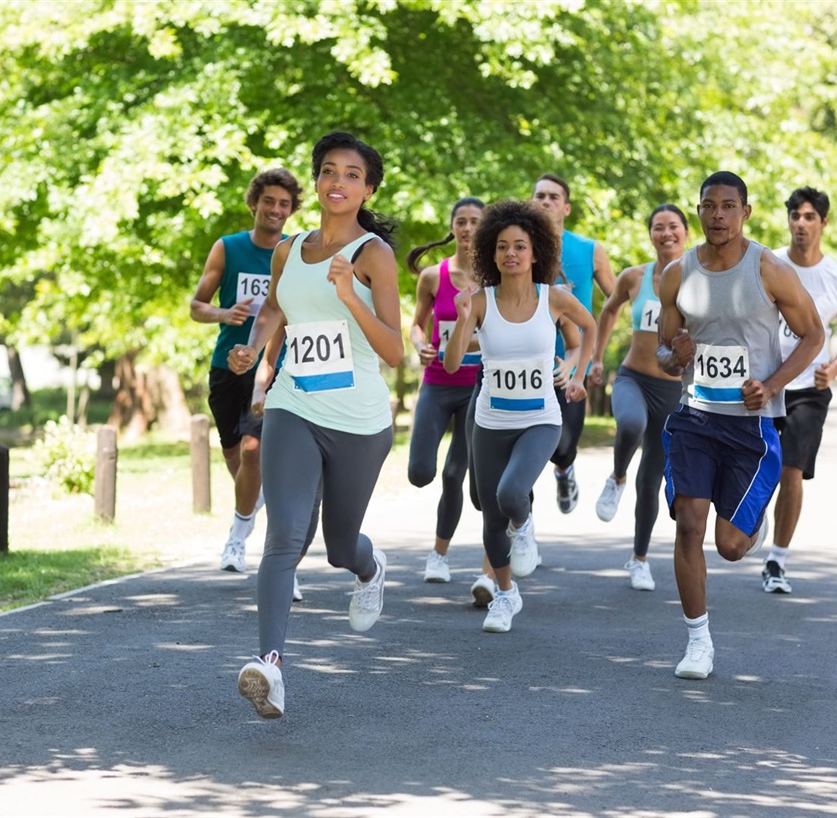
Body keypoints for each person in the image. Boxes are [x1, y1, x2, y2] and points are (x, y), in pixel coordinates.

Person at [228, 131, 403, 718]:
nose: (338, 182)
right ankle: (269, 667)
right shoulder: (289, 247)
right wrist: (254, 347)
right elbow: (277, 306)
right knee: (284, 538)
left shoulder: (373, 254)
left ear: (368, 188)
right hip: (293, 406)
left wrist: (352, 298)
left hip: (359, 420)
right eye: (329, 171)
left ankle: (369, 566)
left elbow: (395, 350)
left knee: (338, 546)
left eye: (353, 174)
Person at [657, 171, 823, 680]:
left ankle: (753, 524)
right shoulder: (678, 274)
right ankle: (698, 641)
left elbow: (814, 335)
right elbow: (666, 354)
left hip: (752, 426)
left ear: (745, 212)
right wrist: (675, 354)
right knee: (689, 522)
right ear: (700, 210)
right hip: (696, 417)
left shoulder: (769, 269)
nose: (718, 216)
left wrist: (772, 385)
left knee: (729, 546)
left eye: (729, 206)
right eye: (709, 206)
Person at [445, 199, 596, 633]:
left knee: (512, 494)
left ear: (536, 253)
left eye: (520, 246)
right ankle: (506, 595)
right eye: (503, 247)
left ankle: (526, 528)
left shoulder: (554, 298)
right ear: (491, 254)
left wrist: (576, 368)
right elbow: (454, 364)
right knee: (491, 517)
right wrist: (460, 319)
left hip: (541, 419)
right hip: (490, 422)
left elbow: (589, 328)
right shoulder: (478, 301)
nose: (511, 253)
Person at [190, 168, 302, 578]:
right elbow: (196, 305)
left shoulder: (296, 250)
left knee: (254, 450)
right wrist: (224, 312)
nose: (276, 210)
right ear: (254, 203)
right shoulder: (228, 248)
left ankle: (237, 542)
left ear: (292, 210)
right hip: (228, 363)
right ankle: (248, 510)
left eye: (284, 204)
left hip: (275, 363)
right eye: (269, 201)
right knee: (236, 455)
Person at [588, 205, 689, 591]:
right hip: (633, 378)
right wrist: (597, 357)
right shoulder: (634, 277)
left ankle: (640, 558)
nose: (666, 233)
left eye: (673, 227)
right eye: (658, 227)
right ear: (650, 235)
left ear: (685, 232)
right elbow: (609, 309)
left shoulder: (697, 279)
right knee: (631, 423)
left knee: (652, 481)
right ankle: (616, 476)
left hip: (673, 390)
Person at [765, 187, 837, 594]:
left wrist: (834, 368)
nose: (800, 224)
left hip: (808, 390)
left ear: (823, 223)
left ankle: (776, 561)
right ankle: (756, 516)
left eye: (808, 217)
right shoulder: (767, 264)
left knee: (792, 472)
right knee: (759, 468)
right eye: (795, 216)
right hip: (766, 383)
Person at [406, 197, 485, 583]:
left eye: (475, 222)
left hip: (476, 388)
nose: (468, 228)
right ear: (452, 227)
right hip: (437, 384)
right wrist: (419, 343)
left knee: (455, 474)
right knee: (420, 472)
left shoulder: (494, 279)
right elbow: (417, 324)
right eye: (461, 221)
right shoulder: (433, 277)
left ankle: (439, 555)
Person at [532, 174, 615, 514]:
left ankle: (565, 470)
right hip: (524, 363)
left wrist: (596, 354)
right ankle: (522, 523)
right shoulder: (515, 248)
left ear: (566, 207)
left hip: (572, 363)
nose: (546, 201)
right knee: (522, 449)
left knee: (564, 446)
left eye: (554, 197)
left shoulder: (589, 249)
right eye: (540, 195)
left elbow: (615, 298)